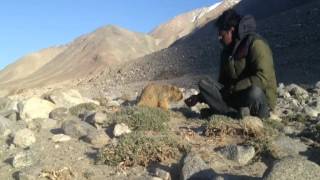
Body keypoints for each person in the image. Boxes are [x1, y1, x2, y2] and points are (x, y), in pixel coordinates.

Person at [185, 9, 277, 119]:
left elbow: (263, 78)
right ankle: (232, 114)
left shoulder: (256, 44)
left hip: (257, 98)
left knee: (254, 92)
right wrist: (199, 97)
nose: (219, 39)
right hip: (236, 96)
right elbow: (222, 84)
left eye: (221, 35)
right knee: (204, 83)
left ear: (231, 30)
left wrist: (235, 87)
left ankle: (228, 113)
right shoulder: (226, 52)